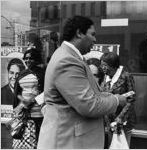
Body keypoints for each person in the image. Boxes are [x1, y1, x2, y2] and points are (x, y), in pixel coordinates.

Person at [37, 15, 127, 149]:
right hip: (68, 142)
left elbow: (90, 95)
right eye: (92, 34)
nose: (95, 39)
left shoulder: (70, 57)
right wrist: (117, 100)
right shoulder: (67, 60)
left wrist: (108, 97)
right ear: (79, 33)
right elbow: (88, 105)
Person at [100, 52, 136, 148]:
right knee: (112, 145)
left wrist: (120, 118)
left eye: (105, 65)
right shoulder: (106, 76)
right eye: (101, 65)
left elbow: (131, 99)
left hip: (123, 120)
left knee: (122, 145)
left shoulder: (126, 76)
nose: (102, 68)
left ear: (113, 65)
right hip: (109, 120)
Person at [12, 48, 45, 149]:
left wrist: (33, 100)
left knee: (39, 143)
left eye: (31, 58)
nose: (27, 60)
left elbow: (48, 92)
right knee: (25, 144)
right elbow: (17, 94)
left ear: (37, 59)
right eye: (25, 58)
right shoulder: (22, 74)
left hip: (40, 116)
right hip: (25, 116)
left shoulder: (43, 74)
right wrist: (21, 105)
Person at [1, 58, 25, 149]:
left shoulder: (26, 93)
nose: (14, 77)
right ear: (7, 73)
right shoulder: (1, 93)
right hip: (5, 141)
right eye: (11, 73)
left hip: (22, 142)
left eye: (17, 74)